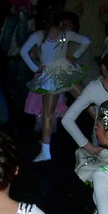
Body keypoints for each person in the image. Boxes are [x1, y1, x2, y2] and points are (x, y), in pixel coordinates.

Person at [19, 11, 91, 162]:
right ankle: (99, 131)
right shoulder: (60, 34)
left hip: (54, 73)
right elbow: (86, 40)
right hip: (61, 71)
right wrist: (74, 55)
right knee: (86, 100)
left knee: (48, 113)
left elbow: (23, 51)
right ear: (60, 23)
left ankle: (46, 151)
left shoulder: (41, 35)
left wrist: (35, 68)